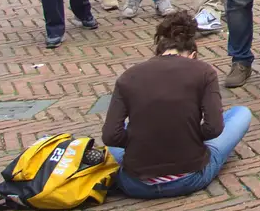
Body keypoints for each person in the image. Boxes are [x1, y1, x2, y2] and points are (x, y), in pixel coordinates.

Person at [103, 11, 252, 198]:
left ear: (159, 52)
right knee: (241, 113)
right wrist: (188, 135)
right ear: (193, 54)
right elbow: (214, 128)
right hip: (189, 177)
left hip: (136, 183)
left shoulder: (129, 76)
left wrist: (138, 141)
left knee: (124, 130)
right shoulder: (204, 71)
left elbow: (110, 136)